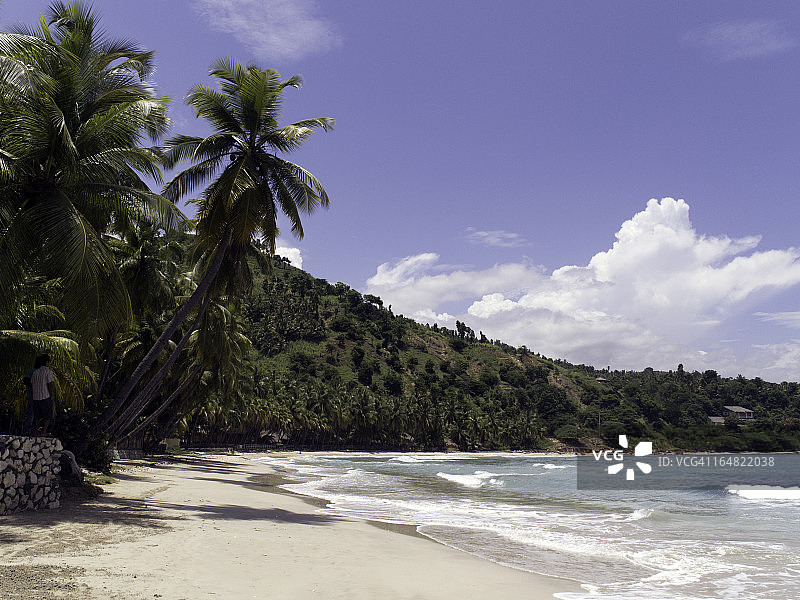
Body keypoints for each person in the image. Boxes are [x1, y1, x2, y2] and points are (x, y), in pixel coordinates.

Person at [31, 354, 55, 436]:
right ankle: (43, 432)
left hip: (36, 397)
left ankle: (35, 431)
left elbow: (32, 383)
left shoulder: (35, 372)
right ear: (47, 362)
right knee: (47, 415)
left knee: (37, 416)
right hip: (45, 396)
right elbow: (50, 384)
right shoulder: (48, 371)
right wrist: (51, 395)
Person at [22, 357, 41, 435]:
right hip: (32, 395)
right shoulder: (32, 371)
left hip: (40, 396)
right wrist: (35, 385)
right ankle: (27, 430)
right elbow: (25, 381)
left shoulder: (42, 372)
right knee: (31, 414)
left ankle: (34, 431)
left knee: (37, 414)